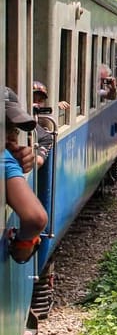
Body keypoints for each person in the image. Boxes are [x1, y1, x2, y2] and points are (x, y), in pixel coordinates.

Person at [4, 88, 47, 264]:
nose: (13, 138)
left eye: (15, 130)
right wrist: (23, 246)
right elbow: (36, 219)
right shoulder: (4, 160)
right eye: (7, 128)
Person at [30, 82, 61, 169]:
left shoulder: (45, 136)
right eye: (32, 99)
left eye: (40, 101)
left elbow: (39, 161)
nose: (36, 104)